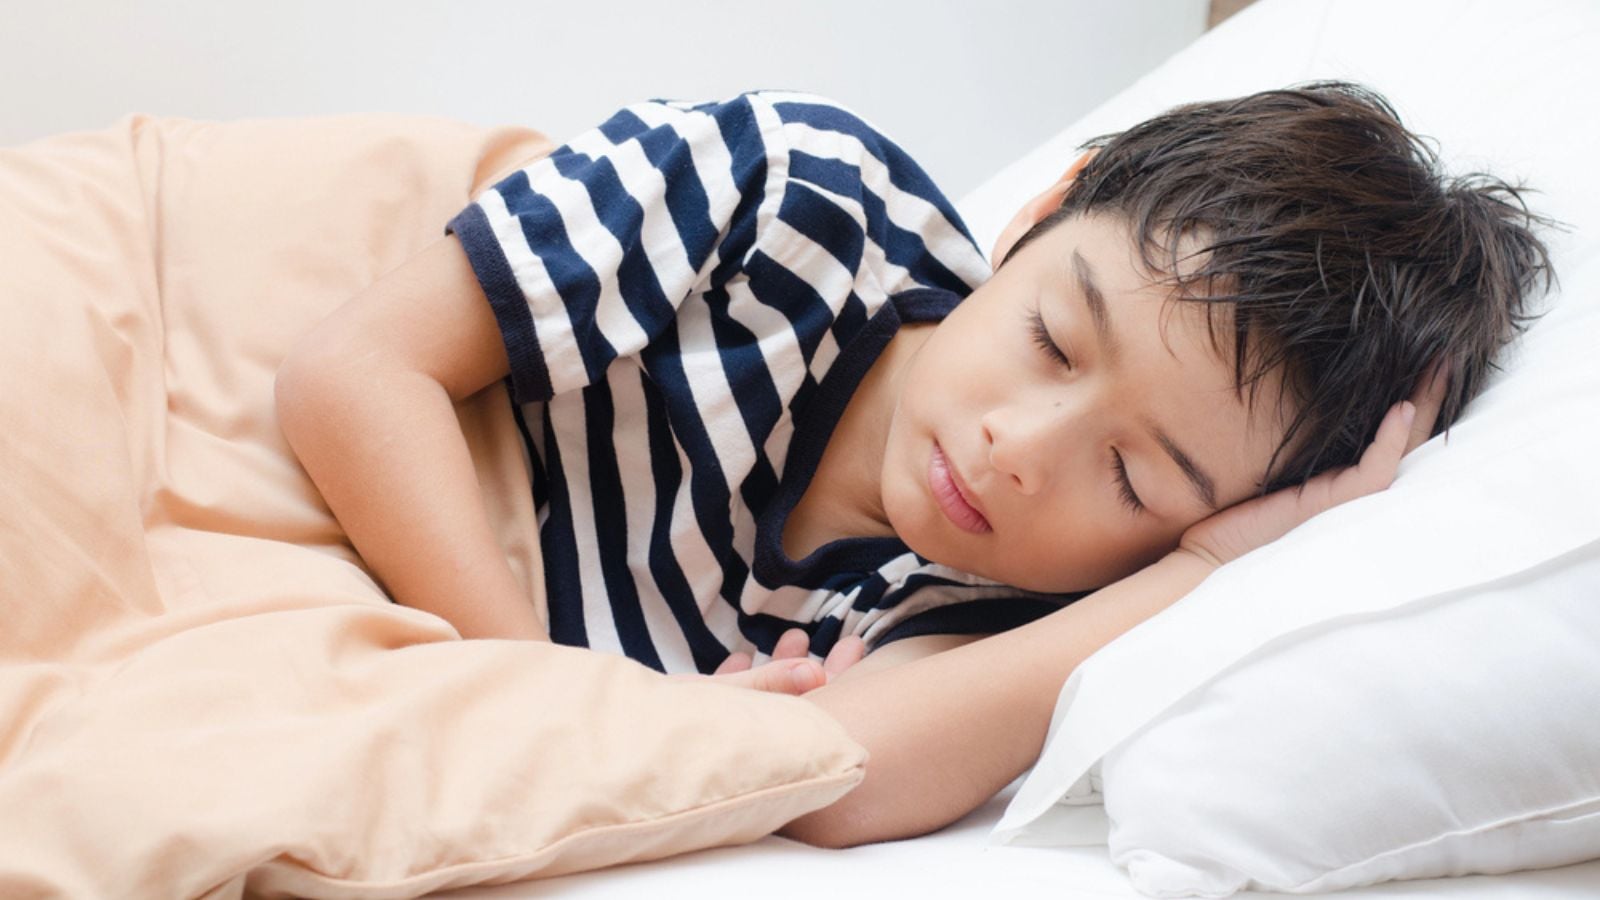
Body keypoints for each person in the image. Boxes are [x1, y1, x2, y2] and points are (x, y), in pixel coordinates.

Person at [274, 82, 1554, 846]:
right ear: (1041, 213)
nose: (1015, 454)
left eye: (1133, 479)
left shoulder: (1001, 594)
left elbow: (832, 783)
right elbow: (351, 374)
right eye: (1054, 339)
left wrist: (1204, 571)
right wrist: (566, 703)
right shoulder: (786, 199)